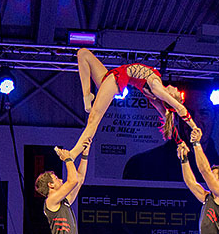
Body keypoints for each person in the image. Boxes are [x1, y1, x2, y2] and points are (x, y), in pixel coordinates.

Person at [65, 48, 198, 159]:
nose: (176, 89)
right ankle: (87, 96)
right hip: (114, 75)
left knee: (93, 119)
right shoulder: (157, 98)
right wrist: (180, 142)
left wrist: (194, 127)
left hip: (117, 79)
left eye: (176, 93)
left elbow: (179, 108)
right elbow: (169, 122)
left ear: (171, 97)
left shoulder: (157, 88)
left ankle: (74, 153)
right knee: (83, 53)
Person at [123, 87, 219, 182]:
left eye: (203, 113)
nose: (196, 120)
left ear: (215, 115)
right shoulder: (141, 163)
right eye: (190, 113)